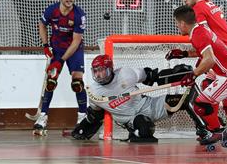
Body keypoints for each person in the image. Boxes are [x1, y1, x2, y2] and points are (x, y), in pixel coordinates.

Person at [171, 5, 227, 145]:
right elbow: (206, 51)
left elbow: (209, 59)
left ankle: (217, 131)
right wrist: (184, 54)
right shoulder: (201, 29)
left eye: (177, 23)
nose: (177, 27)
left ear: (183, 23)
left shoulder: (197, 34)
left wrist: (192, 75)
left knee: (200, 104)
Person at [71, 54, 206, 142]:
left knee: (184, 98)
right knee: (145, 130)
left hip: (147, 105)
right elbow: (95, 114)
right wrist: (81, 129)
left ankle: (206, 128)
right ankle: (135, 133)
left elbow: (151, 76)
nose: (99, 74)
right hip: (131, 119)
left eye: (102, 70)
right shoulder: (94, 91)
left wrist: (175, 74)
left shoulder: (125, 73)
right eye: (96, 71)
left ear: (110, 69)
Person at [34, 0, 87, 135]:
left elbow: (76, 41)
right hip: (56, 48)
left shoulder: (79, 15)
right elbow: (42, 25)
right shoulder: (52, 10)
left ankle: (82, 117)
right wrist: (45, 45)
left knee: (77, 83)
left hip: (74, 49)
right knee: (51, 82)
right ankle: (43, 117)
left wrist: (61, 60)